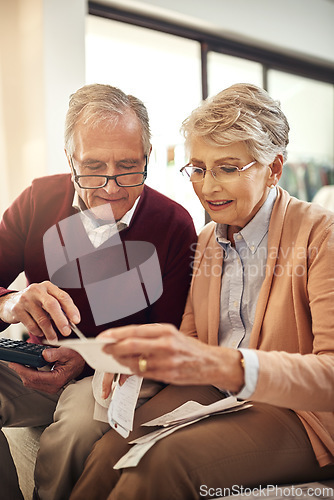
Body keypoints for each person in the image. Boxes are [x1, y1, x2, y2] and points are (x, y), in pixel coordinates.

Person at [70, 83, 334, 500]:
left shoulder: (322, 235)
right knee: (108, 453)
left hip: (299, 412)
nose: (207, 187)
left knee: (160, 462)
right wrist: (137, 360)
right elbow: (193, 340)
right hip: (217, 395)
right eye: (197, 167)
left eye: (228, 168)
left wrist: (225, 365)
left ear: (274, 168)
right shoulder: (209, 238)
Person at [0, 83, 197, 500]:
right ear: (70, 158)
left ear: (147, 158)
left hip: (112, 372)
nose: (111, 188)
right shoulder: (38, 199)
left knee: (74, 428)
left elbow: (171, 336)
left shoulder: (174, 226)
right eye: (92, 167)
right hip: (38, 360)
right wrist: (12, 302)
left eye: (128, 166)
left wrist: (89, 359)